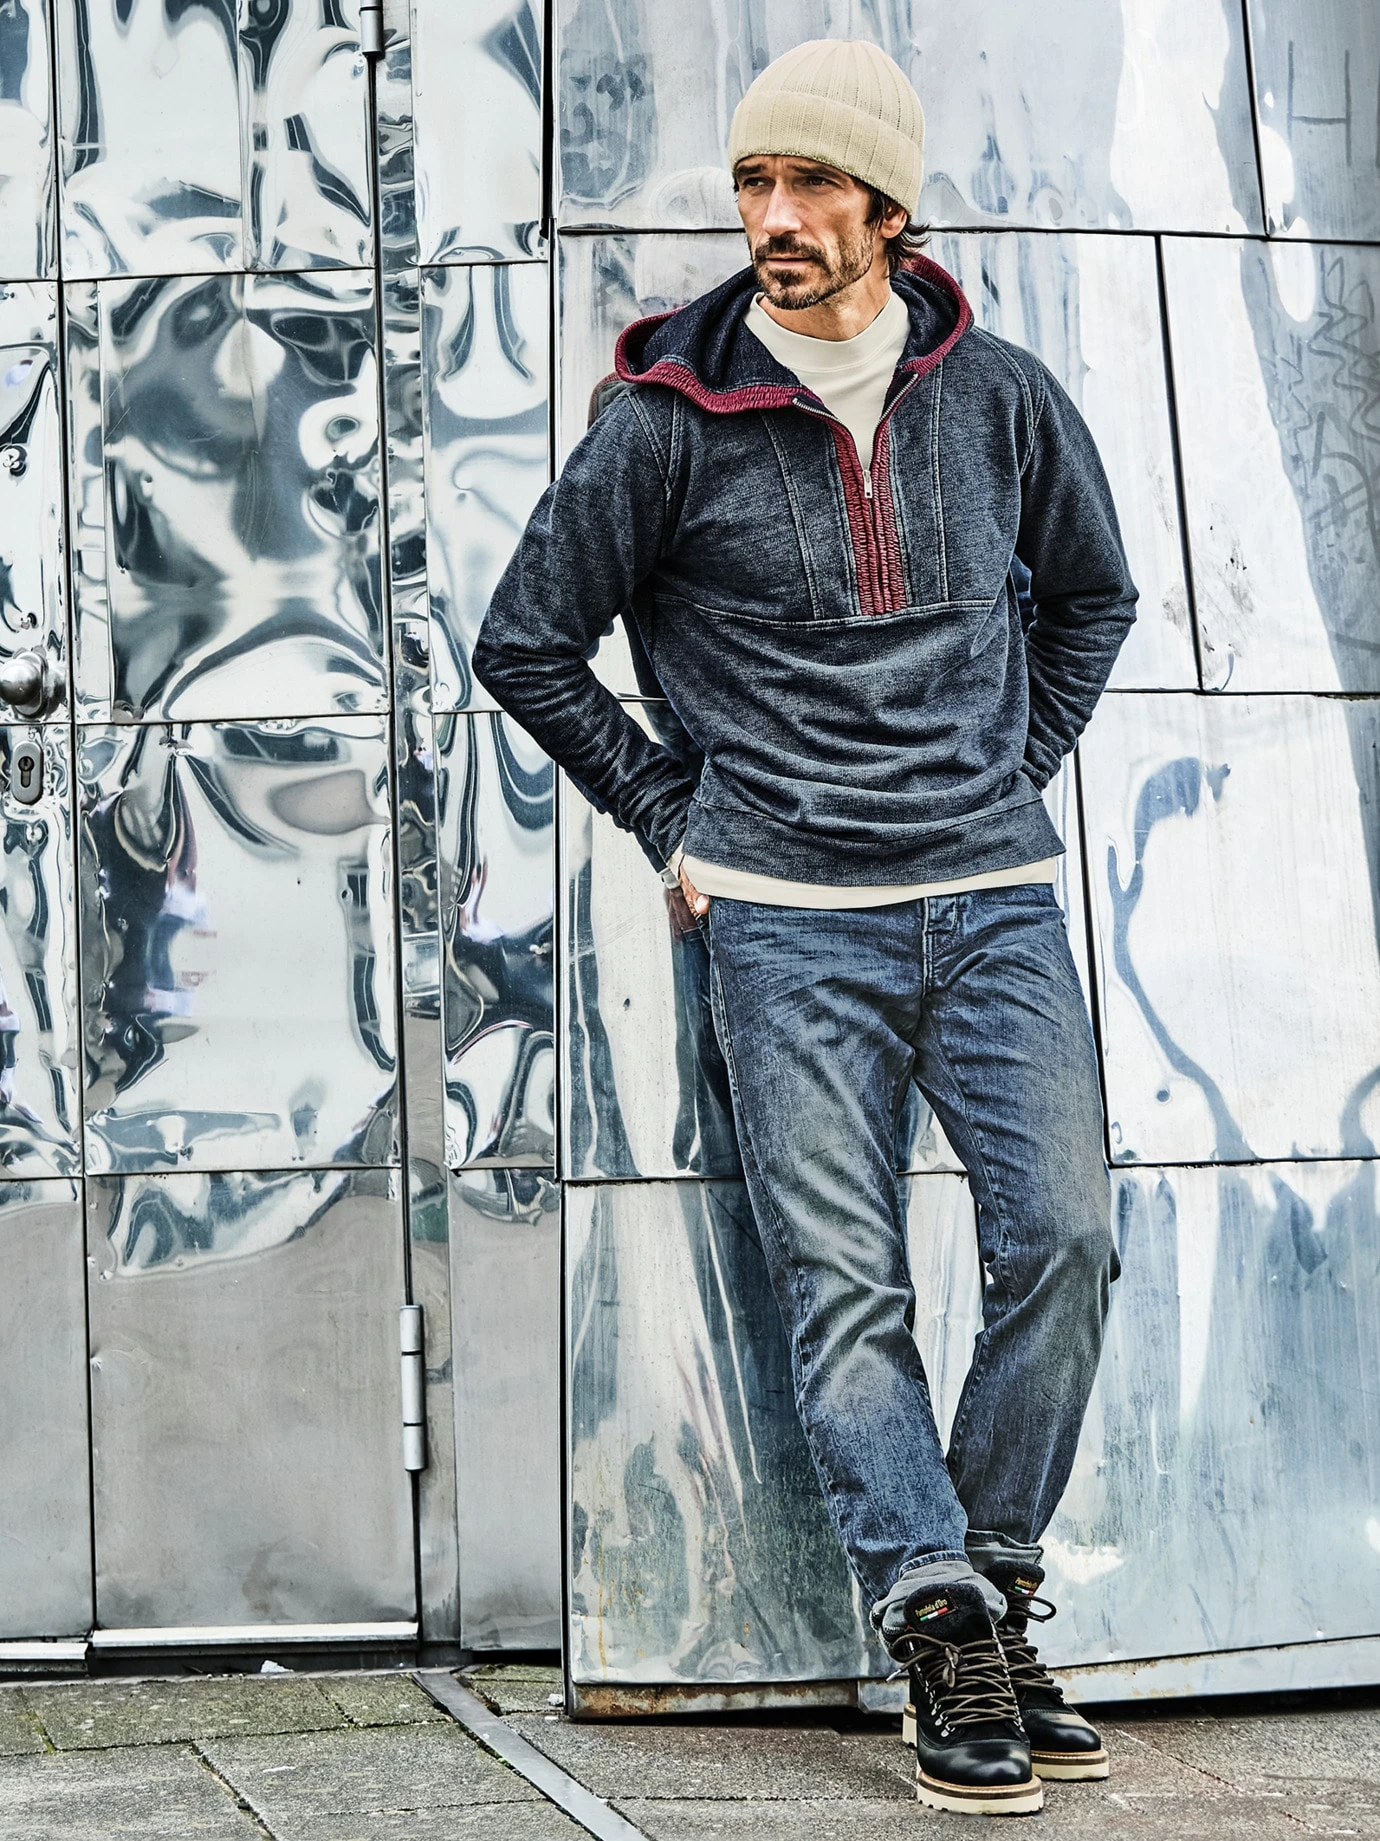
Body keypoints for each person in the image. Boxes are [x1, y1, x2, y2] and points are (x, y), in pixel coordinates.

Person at [475, 38, 1134, 1817]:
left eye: (812, 184)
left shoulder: (1000, 397)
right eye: (755, 183)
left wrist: (1007, 768)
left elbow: (1092, 596)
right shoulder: (664, 422)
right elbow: (525, 641)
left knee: (1069, 1240)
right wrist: (672, 816)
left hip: (990, 900)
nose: (774, 216)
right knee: (847, 1294)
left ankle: (988, 1578)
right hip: (782, 922)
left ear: (889, 207)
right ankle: (937, 1619)